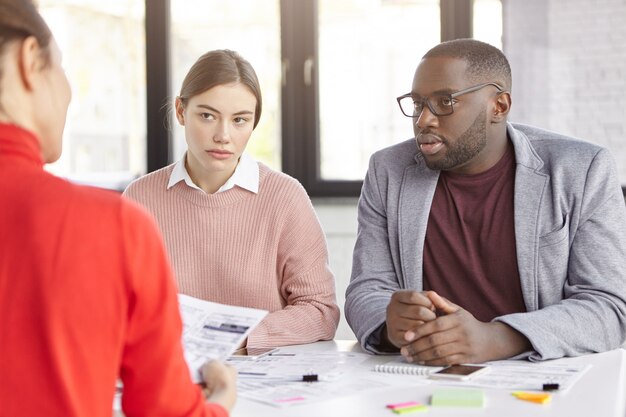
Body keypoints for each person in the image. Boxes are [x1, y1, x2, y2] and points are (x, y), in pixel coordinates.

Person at [0, 1, 236, 416]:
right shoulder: (111, 224)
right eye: (62, 69)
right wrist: (221, 401)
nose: (69, 92)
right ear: (29, 60)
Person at [345, 38, 626, 365]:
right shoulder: (388, 170)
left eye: (445, 101)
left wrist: (498, 338)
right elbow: (366, 290)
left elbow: (609, 306)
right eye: (418, 103)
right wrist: (389, 324)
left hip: (541, 374)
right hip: (426, 374)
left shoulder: (582, 169)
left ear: (499, 106)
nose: (423, 120)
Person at [123, 49, 339, 348]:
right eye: (208, 116)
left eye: (239, 120)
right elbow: (119, 304)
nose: (223, 135)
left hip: (263, 378)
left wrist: (236, 339)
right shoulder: (140, 198)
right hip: (168, 374)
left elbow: (320, 311)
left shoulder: (285, 197)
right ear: (181, 111)